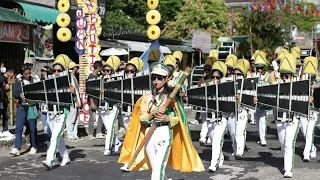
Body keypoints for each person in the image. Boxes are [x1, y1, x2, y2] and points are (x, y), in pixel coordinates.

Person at [118, 62, 204, 179]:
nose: (156, 80)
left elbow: (180, 119)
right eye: (154, 78)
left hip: (164, 133)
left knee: (157, 170)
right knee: (156, 169)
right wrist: (152, 115)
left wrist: (167, 118)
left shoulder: (172, 98)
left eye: (160, 78)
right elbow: (142, 118)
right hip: (149, 134)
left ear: (166, 79)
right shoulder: (146, 97)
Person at [42, 54, 79, 169]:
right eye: (55, 70)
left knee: (55, 137)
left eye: (59, 70)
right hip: (50, 112)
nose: (56, 72)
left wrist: (73, 93)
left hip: (62, 112)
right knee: (57, 137)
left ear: (64, 70)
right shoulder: (49, 79)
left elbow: (74, 99)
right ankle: (66, 156)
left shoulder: (70, 79)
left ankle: (50, 160)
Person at [273, 53, 299, 178]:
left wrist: (311, 100)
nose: (284, 77)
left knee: (289, 144)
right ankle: (285, 162)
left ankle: (288, 169)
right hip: (279, 119)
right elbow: (268, 103)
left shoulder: (299, 86)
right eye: (282, 75)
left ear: (292, 76)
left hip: (293, 120)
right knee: (283, 144)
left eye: (287, 75)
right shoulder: (276, 86)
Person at [10, 65, 38, 156]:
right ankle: (17, 148)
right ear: (22, 74)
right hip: (22, 106)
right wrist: (20, 95)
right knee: (19, 127)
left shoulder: (34, 80)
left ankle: (34, 146)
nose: (28, 75)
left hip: (31, 106)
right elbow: (15, 94)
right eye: (26, 74)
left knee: (33, 127)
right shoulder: (18, 81)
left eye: (29, 73)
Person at [206, 61, 229, 172]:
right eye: (213, 77)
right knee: (212, 138)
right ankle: (220, 156)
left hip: (222, 119)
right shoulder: (207, 87)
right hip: (210, 118)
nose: (215, 79)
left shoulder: (227, 89)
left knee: (216, 139)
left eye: (218, 77)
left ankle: (213, 163)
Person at [228, 59, 250, 159]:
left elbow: (250, 97)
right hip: (231, 111)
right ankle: (235, 148)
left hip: (242, 110)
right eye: (235, 73)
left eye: (239, 73)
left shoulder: (247, 84)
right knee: (232, 132)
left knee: (239, 131)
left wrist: (240, 97)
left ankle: (239, 151)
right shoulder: (228, 82)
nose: (236, 75)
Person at [102, 56, 123, 156]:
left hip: (115, 105)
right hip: (104, 106)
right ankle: (117, 142)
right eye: (104, 70)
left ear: (112, 71)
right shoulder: (101, 79)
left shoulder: (118, 80)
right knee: (108, 127)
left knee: (110, 126)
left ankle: (107, 147)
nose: (106, 73)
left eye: (108, 71)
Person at [299, 56, 318, 162]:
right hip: (302, 112)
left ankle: (306, 154)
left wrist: (313, 99)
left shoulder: (317, 85)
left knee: (310, 132)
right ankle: (312, 147)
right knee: (306, 134)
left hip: (313, 112)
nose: (311, 79)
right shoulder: (301, 84)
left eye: (312, 77)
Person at [252, 51, 273, 146]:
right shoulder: (253, 76)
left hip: (264, 102)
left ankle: (263, 138)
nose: (259, 70)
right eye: (258, 68)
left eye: (261, 68)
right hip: (254, 101)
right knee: (257, 120)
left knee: (262, 119)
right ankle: (261, 137)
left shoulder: (268, 76)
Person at [197, 57, 216, 145]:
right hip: (204, 104)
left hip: (213, 104)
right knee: (204, 121)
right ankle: (203, 137)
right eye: (205, 69)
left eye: (208, 70)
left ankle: (210, 137)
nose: (206, 71)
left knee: (212, 122)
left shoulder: (215, 80)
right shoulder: (201, 80)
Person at [121, 57, 144, 130]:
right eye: (127, 71)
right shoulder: (121, 82)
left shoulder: (141, 84)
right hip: (125, 112)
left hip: (136, 112)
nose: (129, 73)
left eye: (131, 71)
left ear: (136, 72)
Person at [87, 60, 103, 140]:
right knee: (92, 117)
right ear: (99, 67)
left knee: (101, 115)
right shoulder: (91, 77)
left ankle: (98, 132)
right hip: (92, 100)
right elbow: (89, 91)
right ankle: (90, 133)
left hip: (99, 99)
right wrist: (92, 102)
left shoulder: (99, 76)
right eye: (101, 67)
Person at [66, 61, 80, 141]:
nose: (77, 68)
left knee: (75, 118)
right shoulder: (70, 77)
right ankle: (70, 134)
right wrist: (76, 100)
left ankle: (74, 134)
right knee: (71, 118)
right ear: (74, 68)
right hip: (72, 100)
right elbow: (72, 90)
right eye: (76, 67)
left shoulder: (73, 77)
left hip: (76, 100)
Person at [40, 67, 51, 147]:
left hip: (50, 108)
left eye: (44, 72)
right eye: (42, 72)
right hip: (43, 108)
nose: (43, 73)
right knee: (45, 128)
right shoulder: (40, 82)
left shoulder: (50, 82)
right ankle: (48, 145)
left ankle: (53, 145)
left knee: (51, 128)